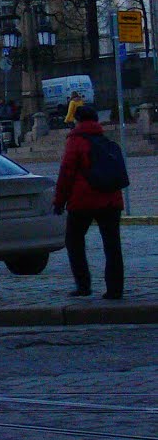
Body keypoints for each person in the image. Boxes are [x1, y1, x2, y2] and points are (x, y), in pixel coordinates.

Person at [53, 105, 125, 300]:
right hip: (111, 200)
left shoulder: (75, 141)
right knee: (112, 245)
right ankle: (115, 289)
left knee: (74, 241)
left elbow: (66, 173)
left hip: (83, 201)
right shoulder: (105, 140)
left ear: (77, 120)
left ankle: (83, 285)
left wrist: (59, 202)